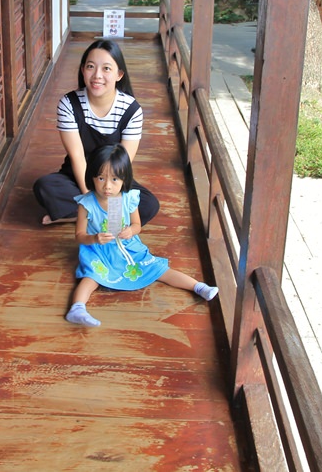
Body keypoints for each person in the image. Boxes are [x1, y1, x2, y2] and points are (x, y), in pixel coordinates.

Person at [65, 145, 218, 327]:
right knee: (91, 277)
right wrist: (94, 238)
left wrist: (130, 230)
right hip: (98, 250)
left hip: (127, 246)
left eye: (115, 179)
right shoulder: (86, 203)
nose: (107, 186)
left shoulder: (128, 198)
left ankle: (199, 287)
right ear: (91, 177)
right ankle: (77, 309)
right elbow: (79, 235)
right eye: (101, 178)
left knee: (158, 268)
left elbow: (137, 225)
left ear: (124, 179)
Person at [33, 39, 159, 226]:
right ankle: (92, 214)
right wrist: (91, 200)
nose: (97, 75)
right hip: (78, 175)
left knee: (149, 204)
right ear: (83, 70)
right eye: (91, 67)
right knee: (45, 187)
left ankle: (79, 216)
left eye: (106, 69)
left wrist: (108, 192)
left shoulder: (131, 110)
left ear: (119, 74)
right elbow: (77, 157)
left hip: (113, 178)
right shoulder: (69, 104)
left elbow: (122, 163)